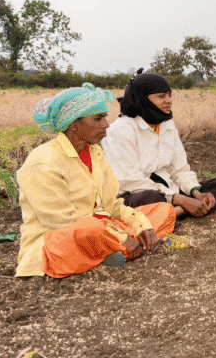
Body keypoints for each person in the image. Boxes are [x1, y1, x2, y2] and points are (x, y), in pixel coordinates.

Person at [17, 83, 176, 278]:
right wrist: (122, 236)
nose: (107, 124)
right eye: (98, 119)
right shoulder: (43, 162)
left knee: (162, 210)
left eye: (105, 118)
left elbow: (112, 205)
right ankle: (125, 249)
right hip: (58, 241)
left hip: (103, 229)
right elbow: (63, 222)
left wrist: (144, 227)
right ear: (73, 124)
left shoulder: (96, 153)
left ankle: (118, 250)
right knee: (89, 228)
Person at [102, 71, 216, 218]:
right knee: (151, 198)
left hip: (167, 190)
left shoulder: (166, 125)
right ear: (142, 99)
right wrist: (181, 199)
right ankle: (180, 210)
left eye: (169, 95)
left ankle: (177, 211)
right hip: (133, 194)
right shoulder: (122, 129)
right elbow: (130, 181)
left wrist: (196, 193)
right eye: (161, 96)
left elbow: (179, 168)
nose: (168, 101)